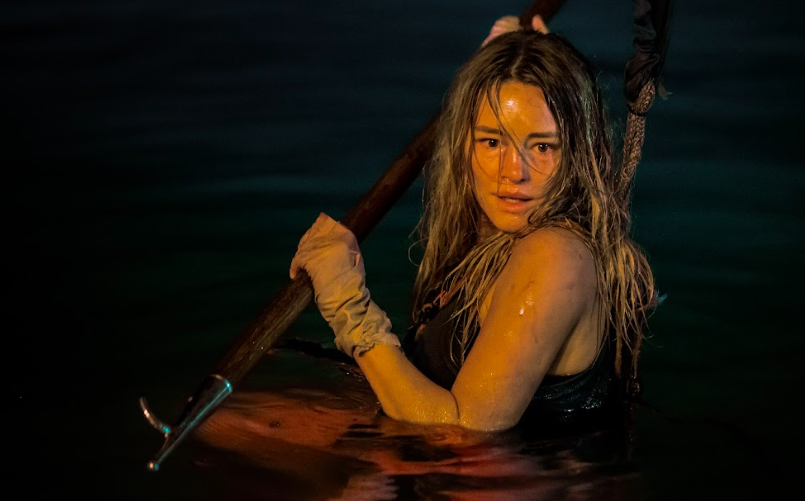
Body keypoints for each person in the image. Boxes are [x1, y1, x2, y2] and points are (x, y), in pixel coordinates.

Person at [289, 15, 657, 433]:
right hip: (416, 448)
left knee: (237, 429)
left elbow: (463, 434)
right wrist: (510, 70)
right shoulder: (506, 236)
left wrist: (350, 310)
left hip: (493, 466)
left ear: (578, 154)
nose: (513, 172)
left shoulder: (554, 256)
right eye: (492, 141)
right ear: (463, 145)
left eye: (542, 146)